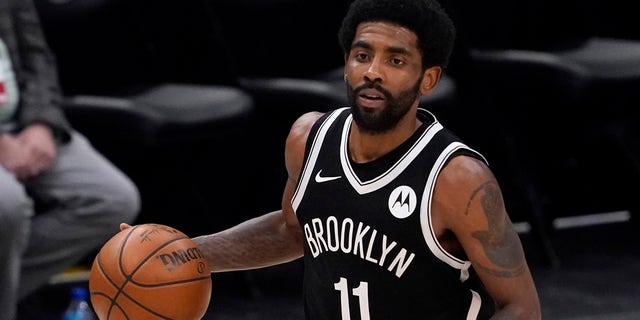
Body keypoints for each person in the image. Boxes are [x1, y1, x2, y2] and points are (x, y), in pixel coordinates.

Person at [126, 0, 541, 318]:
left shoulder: (457, 179)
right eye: (363, 56)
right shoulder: (309, 138)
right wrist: (181, 253)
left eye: (395, 60)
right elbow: (293, 232)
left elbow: (521, 308)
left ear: (427, 79)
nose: (373, 72)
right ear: (346, 65)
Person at [0, 0, 141, 319]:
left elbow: (36, 57)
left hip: (23, 124)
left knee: (112, 198)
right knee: (6, 205)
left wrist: (41, 124)